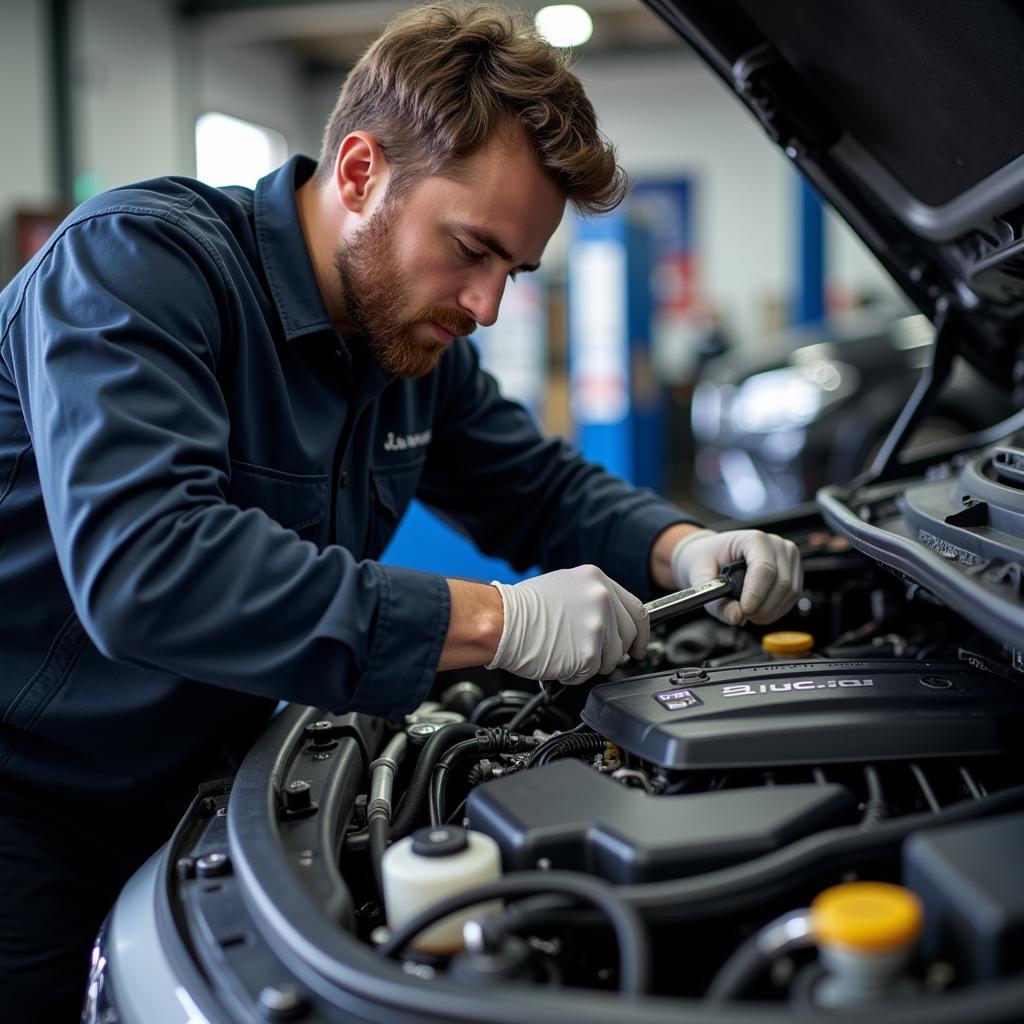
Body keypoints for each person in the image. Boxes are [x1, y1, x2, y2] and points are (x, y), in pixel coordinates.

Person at [0, 3, 801, 1017]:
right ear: (359, 171)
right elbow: (148, 566)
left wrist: (684, 545)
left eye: (510, 270)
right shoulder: (138, 268)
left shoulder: (408, 346)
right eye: (470, 249)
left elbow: (538, 486)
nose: (486, 306)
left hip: (204, 786)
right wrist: (495, 621)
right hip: (31, 804)